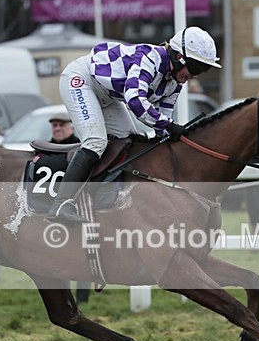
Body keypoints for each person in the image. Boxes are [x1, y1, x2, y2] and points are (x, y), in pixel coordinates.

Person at [49, 26, 221, 223]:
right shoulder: (149, 59)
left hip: (107, 95)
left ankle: (100, 195)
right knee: (96, 141)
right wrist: (168, 125)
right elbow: (135, 101)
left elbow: (163, 115)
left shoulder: (175, 82)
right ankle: (61, 204)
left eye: (203, 70)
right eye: (196, 68)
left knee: (128, 139)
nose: (196, 75)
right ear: (178, 56)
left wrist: (168, 132)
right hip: (81, 79)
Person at [46, 111, 91, 303]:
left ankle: (82, 297)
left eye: (61, 124)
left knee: (82, 247)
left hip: (79, 206)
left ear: (71, 126)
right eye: (54, 125)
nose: (57, 128)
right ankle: (64, 298)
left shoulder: (85, 150)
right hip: (50, 206)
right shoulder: (45, 149)